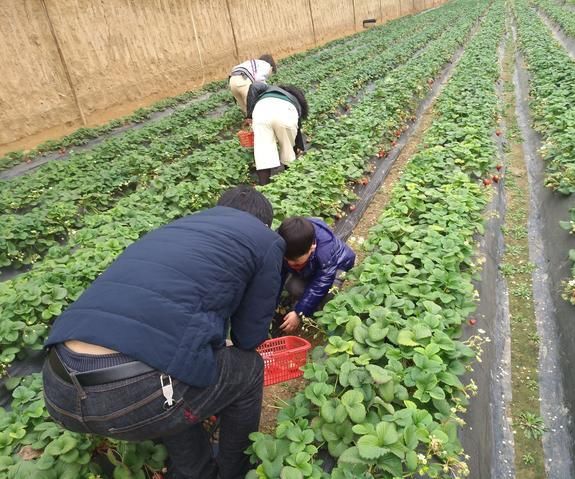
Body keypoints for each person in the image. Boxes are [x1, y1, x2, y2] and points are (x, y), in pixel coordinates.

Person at [42, 185, 285, 479]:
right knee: (247, 369)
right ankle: (234, 472)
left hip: (58, 387)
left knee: (177, 361)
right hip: (131, 395)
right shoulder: (264, 240)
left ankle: (194, 470)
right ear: (264, 223)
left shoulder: (178, 227)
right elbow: (249, 337)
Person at [276, 217, 355, 334]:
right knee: (292, 286)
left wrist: (299, 313)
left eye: (296, 261)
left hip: (338, 265)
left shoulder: (325, 251)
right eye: (287, 259)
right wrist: (272, 301)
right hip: (310, 268)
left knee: (329, 293)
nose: (290, 263)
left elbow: (321, 284)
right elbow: (277, 274)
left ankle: (319, 313)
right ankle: (308, 304)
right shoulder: (283, 240)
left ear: (312, 247)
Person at [246, 84, 308, 185]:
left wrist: (248, 115)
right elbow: (297, 130)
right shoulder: (292, 99)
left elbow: (254, 86)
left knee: (263, 153)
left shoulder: (268, 91)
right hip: (285, 112)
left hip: (261, 111)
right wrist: (297, 146)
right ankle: (291, 183)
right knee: (288, 148)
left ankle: (265, 188)